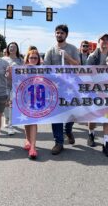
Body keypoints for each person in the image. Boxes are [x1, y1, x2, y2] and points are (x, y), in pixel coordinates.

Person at [43, 24, 80, 155]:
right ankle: (59, 142)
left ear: (66, 35)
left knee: (71, 114)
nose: (59, 35)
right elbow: (45, 68)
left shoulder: (73, 49)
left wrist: (68, 57)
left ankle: (68, 130)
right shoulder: (50, 50)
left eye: (61, 33)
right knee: (56, 115)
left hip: (70, 87)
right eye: (57, 33)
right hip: (55, 88)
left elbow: (78, 66)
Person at [86, 33, 108, 157]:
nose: (105, 41)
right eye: (102, 39)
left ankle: (106, 143)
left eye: (107, 39)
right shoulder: (92, 56)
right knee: (93, 117)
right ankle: (91, 133)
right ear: (98, 41)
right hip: (95, 91)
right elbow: (87, 74)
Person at [23, 49, 42, 159]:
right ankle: (28, 140)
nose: (33, 60)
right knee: (27, 121)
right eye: (31, 58)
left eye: (35, 58)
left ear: (38, 59)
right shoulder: (22, 69)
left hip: (38, 98)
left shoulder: (43, 69)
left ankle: (33, 147)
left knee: (33, 121)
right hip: (24, 98)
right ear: (27, 59)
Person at [2, 42, 24, 135]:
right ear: (8, 49)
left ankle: (11, 124)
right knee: (5, 104)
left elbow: (24, 71)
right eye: (10, 47)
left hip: (16, 85)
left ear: (17, 49)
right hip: (4, 84)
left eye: (14, 47)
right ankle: (6, 118)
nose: (12, 48)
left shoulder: (20, 60)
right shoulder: (3, 59)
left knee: (12, 105)